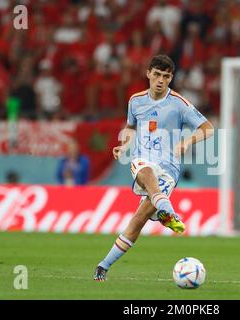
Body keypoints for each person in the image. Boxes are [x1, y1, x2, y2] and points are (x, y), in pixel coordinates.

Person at [94, 55, 214, 282]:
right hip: (142, 161)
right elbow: (130, 126)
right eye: (157, 74)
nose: (161, 80)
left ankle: (103, 266)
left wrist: (187, 142)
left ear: (171, 79)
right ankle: (167, 210)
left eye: (166, 76)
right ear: (148, 73)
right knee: (145, 170)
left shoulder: (179, 103)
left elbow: (208, 128)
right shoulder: (135, 101)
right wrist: (123, 145)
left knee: (138, 220)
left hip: (169, 169)